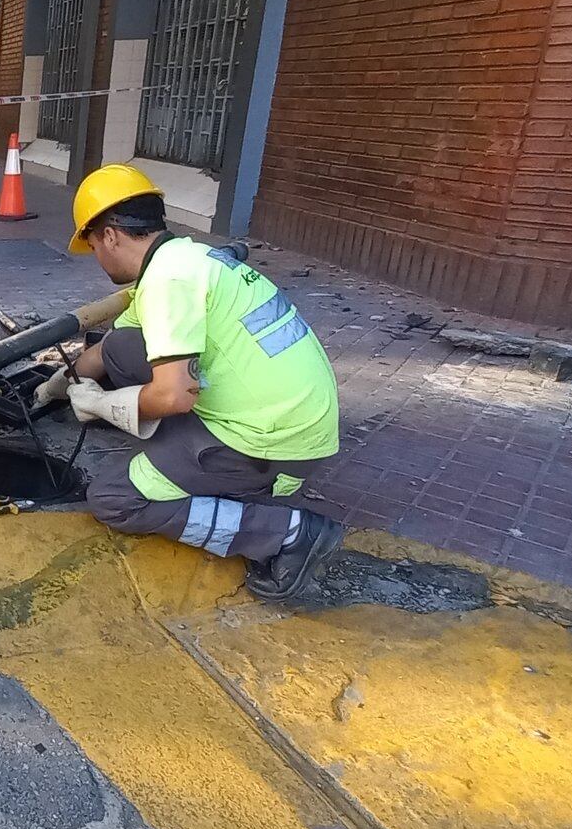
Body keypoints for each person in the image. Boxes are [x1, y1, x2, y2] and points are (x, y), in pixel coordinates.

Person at [36, 164, 344, 601]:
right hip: (291, 414)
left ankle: (287, 533)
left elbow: (173, 395)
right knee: (124, 345)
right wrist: (59, 384)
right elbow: (109, 352)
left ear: (108, 235)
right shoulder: (186, 258)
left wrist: (103, 406)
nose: (97, 259)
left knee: (113, 498)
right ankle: (181, 459)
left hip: (269, 446)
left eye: (92, 246)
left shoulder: (168, 280)